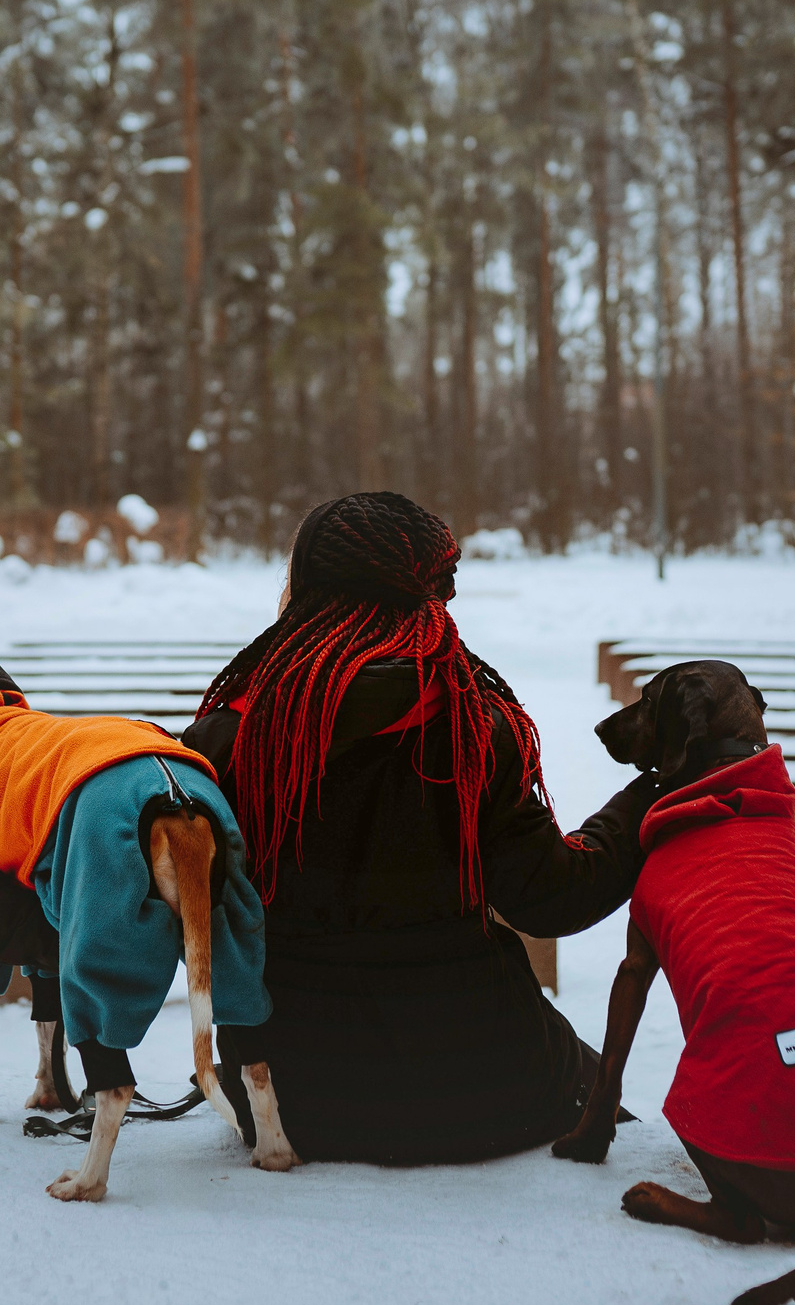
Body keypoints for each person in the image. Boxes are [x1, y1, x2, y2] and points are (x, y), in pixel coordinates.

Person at [181, 490, 669, 1164]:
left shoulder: (230, 735)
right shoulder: (474, 725)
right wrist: (649, 796)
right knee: (595, 1088)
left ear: (307, 590)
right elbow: (552, 897)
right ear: (427, 599)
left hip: (289, 1097)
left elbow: (191, 917)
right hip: (484, 1089)